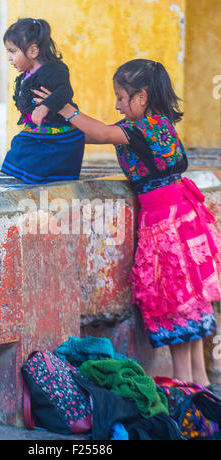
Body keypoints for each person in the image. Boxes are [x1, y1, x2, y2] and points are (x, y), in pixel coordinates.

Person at [33, 59, 221, 388]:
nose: (117, 104)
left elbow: (103, 133)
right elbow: (96, 135)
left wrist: (64, 109)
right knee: (191, 304)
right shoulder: (158, 124)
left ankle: (184, 390)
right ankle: (201, 389)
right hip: (183, 219)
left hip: (166, 228)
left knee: (174, 306)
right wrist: (58, 122)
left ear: (142, 97)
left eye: (122, 97)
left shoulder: (141, 130)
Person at [1, 18, 85, 184]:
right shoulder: (25, 76)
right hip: (39, 129)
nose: (9, 58)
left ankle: (42, 175)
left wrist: (45, 106)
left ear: (33, 51)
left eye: (13, 51)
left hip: (60, 131)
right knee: (20, 145)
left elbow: (65, 91)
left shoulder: (54, 70)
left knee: (31, 152)